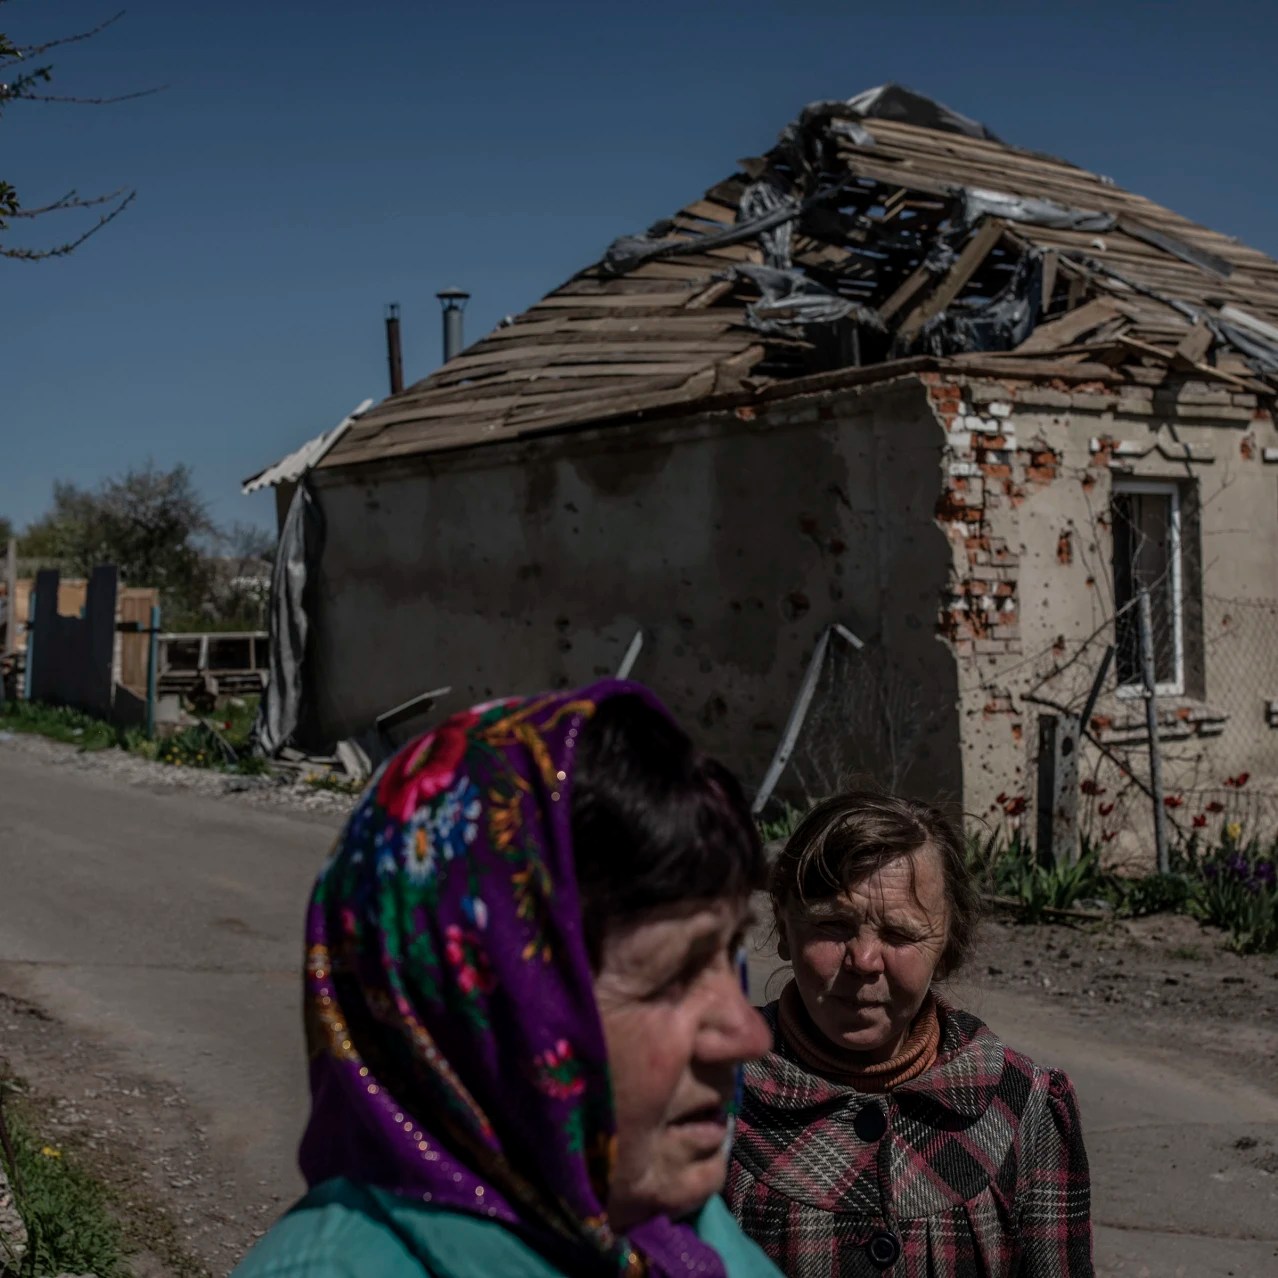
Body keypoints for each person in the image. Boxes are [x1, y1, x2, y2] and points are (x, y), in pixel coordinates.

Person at [234, 681, 784, 1278]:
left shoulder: (670, 1232)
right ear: (482, 1012)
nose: (750, 1036)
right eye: (671, 977)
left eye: (730, 954)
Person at [725, 791, 1093, 1277]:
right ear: (785, 927)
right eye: (832, 925)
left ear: (948, 945)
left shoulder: (1021, 1109)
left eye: (899, 935)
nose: (864, 962)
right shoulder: (713, 1094)